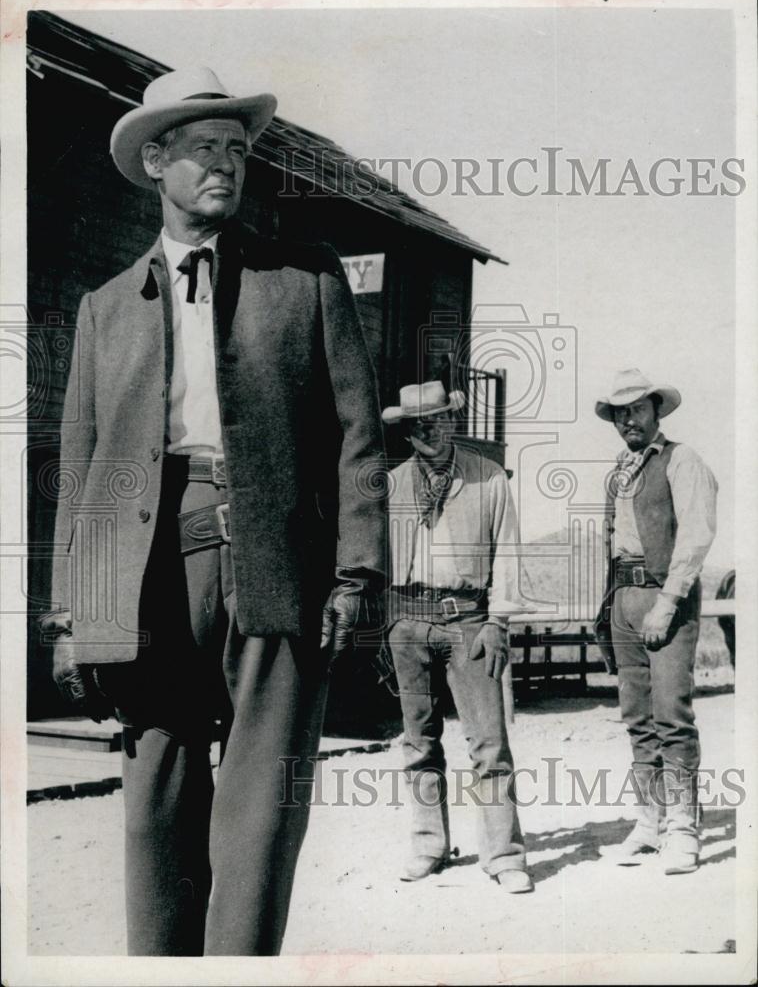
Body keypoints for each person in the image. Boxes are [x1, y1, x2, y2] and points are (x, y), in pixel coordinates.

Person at [40, 67, 386, 955]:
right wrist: (75, 612)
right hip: (149, 569)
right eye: (204, 149)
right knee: (158, 783)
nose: (226, 165)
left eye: (236, 149)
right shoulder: (104, 308)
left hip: (276, 561)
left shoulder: (304, 281)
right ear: (156, 161)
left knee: (265, 801)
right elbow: (81, 469)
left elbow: (357, 440)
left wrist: (357, 575)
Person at [382, 381, 533, 892]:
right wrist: (390, 625)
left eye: (440, 419)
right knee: (418, 741)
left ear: (453, 420)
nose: (431, 429)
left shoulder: (488, 477)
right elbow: (374, 559)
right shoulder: (392, 484)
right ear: (406, 432)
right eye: (419, 423)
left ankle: (504, 854)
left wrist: (499, 622)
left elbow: (509, 553)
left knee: (489, 744)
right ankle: (428, 843)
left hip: (469, 621)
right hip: (408, 622)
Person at [594, 368, 717, 875]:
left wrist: (668, 602)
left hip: (665, 596)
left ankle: (683, 828)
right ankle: (649, 822)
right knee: (636, 718)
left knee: (671, 715)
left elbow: (696, 535)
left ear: (655, 411)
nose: (629, 421)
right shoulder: (621, 470)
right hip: (623, 596)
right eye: (621, 414)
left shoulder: (682, 460)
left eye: (637, 410)